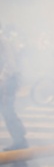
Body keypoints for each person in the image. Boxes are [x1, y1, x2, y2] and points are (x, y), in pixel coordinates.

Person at [0, 23, 29, 152]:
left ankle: (20, 140)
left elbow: (10, 65)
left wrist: (2, 80)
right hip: (5, 81)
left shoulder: (4, 43)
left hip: (6, 83)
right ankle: (20, 136)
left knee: (8, 111)